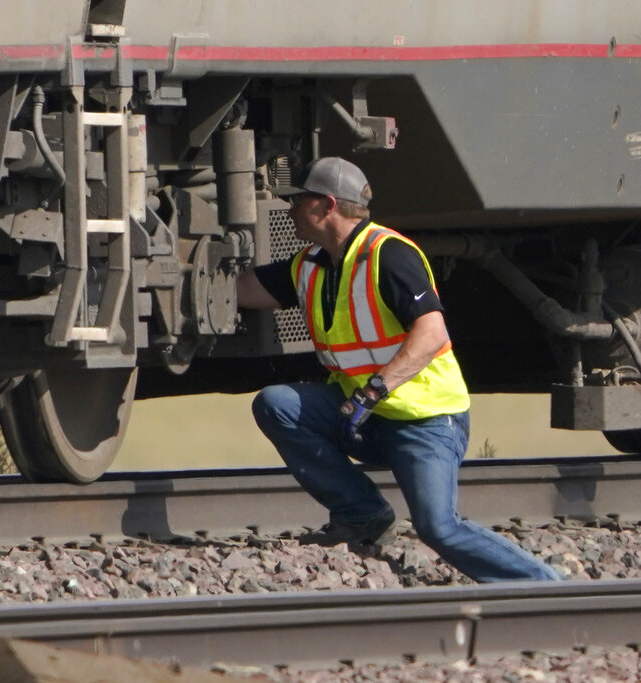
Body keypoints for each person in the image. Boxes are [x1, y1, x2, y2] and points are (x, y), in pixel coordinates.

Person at [237, 157, 559, 582]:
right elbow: (243, 290)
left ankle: (545, 587)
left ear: (327, 205)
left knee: (438, 528)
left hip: (424, 421)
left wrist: (373, 391)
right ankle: (364, 515)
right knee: (277, 404)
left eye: (300, 200)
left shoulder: (388, 254)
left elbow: (432, 333)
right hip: (365, 416)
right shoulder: (310, 264)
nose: (291, 208)